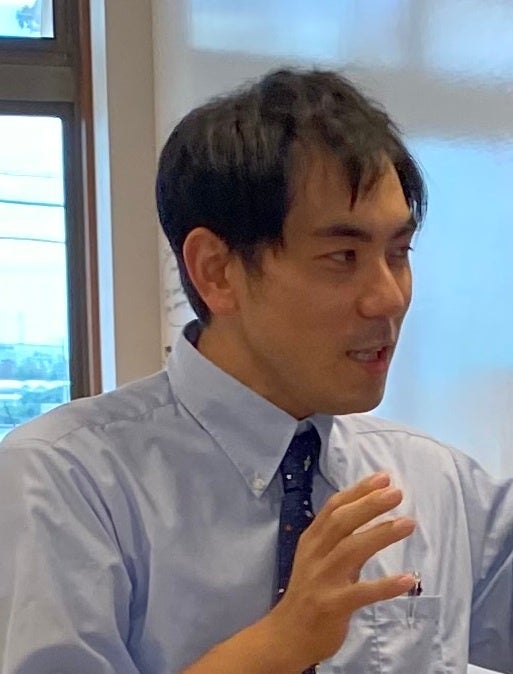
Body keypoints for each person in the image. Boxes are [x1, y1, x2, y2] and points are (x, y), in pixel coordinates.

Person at [0, 68, 512, 674]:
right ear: (216, 271)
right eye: (342, 257)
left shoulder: (436, 483)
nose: (389, 297)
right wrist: (280, 645)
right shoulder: (67, 483)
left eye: (398, 253)